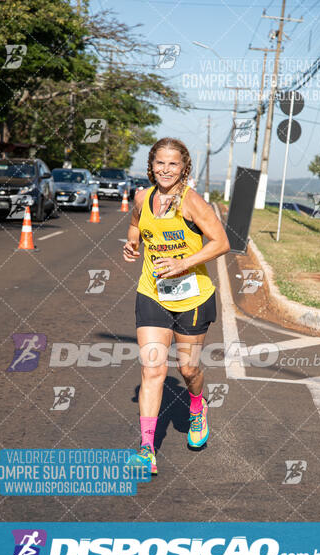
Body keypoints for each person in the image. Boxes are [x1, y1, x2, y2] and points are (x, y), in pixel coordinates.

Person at [123, 138, 230, 475]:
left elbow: (222, 243)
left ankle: (197, 406)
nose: (165, 170)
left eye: (173, 164)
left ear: (184, 167)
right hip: (152, 292)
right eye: (159, 163)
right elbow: (134, 223)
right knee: (152, 369)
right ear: (150, 166)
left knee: (187, 370)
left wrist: (184, 263)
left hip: (193, 297)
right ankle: (146, 449)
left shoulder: (192, 202)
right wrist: (132, 243)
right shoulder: (142, 197)